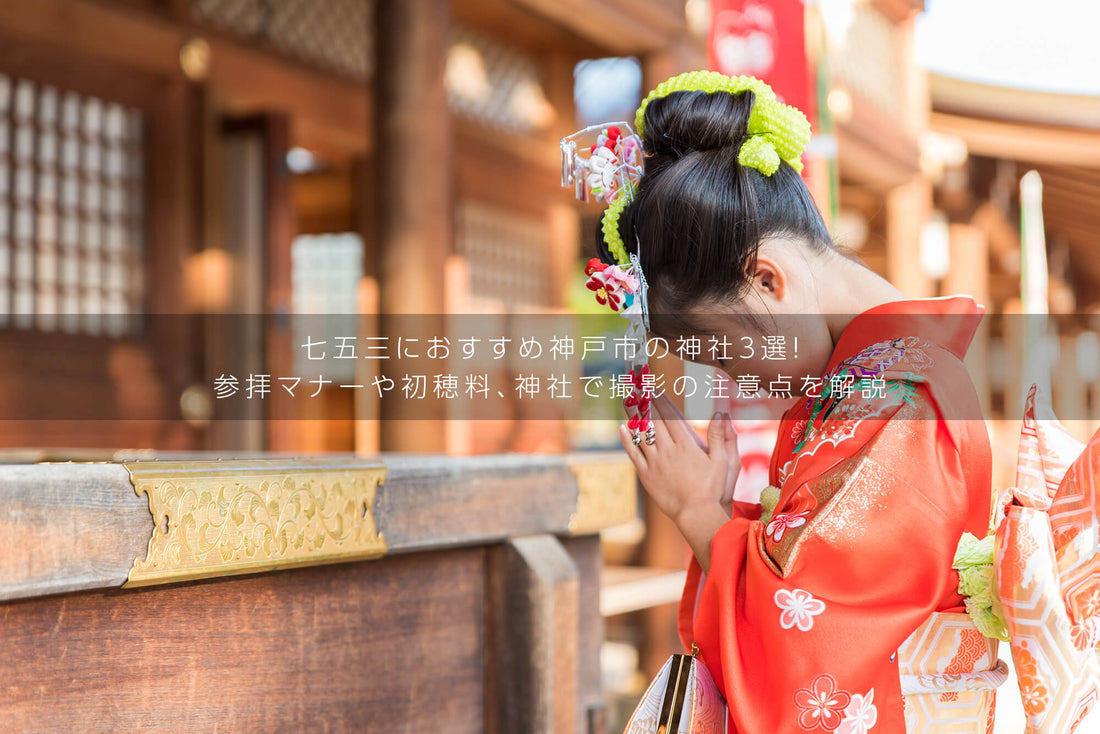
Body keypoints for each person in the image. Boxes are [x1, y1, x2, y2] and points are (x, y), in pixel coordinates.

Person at [610, 72, 998, 733]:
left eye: (724, 354)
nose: (738, 383)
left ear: (766, 279)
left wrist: (693, 508)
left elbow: (806, 632)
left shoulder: (897, 402)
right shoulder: (873, 386)